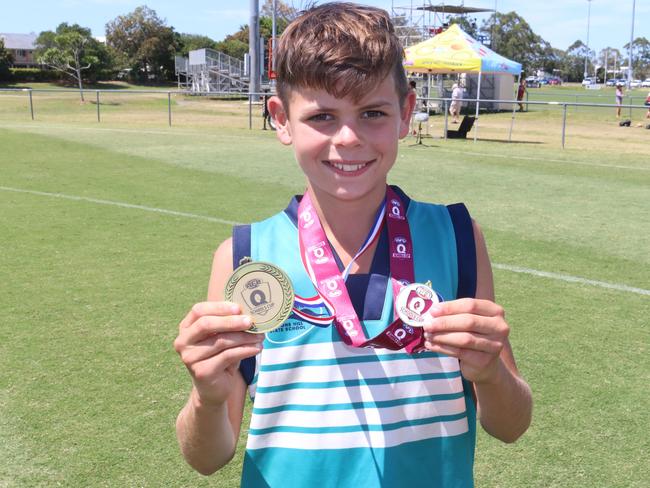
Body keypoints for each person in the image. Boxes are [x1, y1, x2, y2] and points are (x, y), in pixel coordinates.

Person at [173, 3, 532, 487]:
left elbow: (510, 425)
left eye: (373, 113)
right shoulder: (244, 255)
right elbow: (207, 457)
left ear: (404, 113)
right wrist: (207, 396)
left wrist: (490, 373)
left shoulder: (456, 235)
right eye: (322, 116)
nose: (348, 138)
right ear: (280, 119)